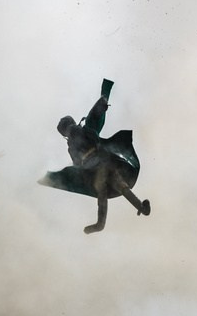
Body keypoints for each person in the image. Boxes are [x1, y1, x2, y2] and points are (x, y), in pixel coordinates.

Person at [40, 79, 150, 234]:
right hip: (102, 162)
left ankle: (101, 223)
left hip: (94, 165)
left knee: (103, 190)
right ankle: (139, 207)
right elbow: (94, 117)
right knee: (117, 185)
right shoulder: (80, 133)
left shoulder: (76, 137)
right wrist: (103, 100)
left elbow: (92, 121)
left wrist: (102, 102)